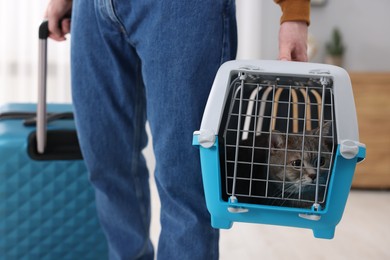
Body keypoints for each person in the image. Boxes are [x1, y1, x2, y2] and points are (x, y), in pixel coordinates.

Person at [45, 0, 310, 259]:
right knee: (106, 164)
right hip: (91, 9)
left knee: (185, 177)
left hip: (182, 9)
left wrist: (294, 12)